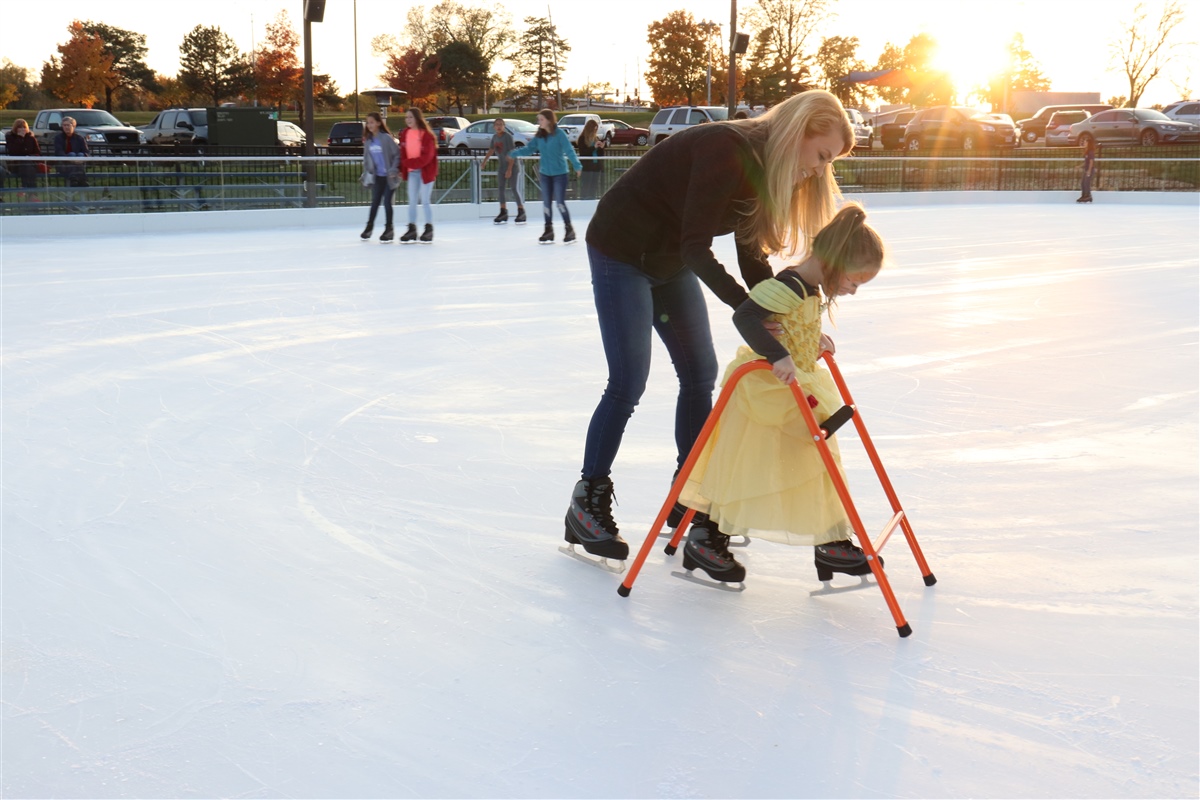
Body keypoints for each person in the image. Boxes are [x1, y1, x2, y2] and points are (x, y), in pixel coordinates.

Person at [563, 89, 854, 568]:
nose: (819, 170)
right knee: (628, 381)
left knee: (700, 374)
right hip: (622, 252)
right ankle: (587, 500)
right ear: (802, 130)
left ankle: (688, 496)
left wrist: (782, 314)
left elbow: (751, 252)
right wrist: (751, 311)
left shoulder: (762, 169)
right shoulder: (725, 148)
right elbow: (697, 247)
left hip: (668, 261)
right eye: (821, 156)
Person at [676, 204, 885, 584]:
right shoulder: (789, 285)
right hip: (766, 392)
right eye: (854, 281)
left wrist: (811, 337)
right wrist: (779, 354)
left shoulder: (807, 289)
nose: (853, 291)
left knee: (819, 461)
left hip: (794, 388)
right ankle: (706, 535)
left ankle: (832, 541)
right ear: (834, 261)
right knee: (744, 465)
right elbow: (746, 316)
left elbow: (788, 321)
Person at [523, 109, 582, 244]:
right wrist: (513, 153)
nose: (539, 122)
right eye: (538, 120)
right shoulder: (540, 136)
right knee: (546, 204)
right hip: (545, 174)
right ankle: (548, 231)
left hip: (560, 174)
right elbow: (529, 148)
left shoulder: (559, 134)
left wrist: (577, 165)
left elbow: (569, 150)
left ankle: (569, 229)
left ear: (549, 120)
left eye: (541, 119)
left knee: (560, 203)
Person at [398, 107, 438, 243]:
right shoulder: (405, 133)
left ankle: (429, 228)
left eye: (411, 117)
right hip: (412, 172)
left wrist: (408, 163)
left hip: (426, 171)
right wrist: (401, 167)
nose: (408, 120)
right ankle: (412, 229)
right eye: (406, 117)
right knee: (412, 201)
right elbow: (402, 154)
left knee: (425, 200)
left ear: (417, 118)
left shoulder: (426, 135)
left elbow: (427, 157)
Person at [359, 112, 401, 241]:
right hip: (378, 177)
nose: (369, 125)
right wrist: (366, 173)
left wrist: (394, 169)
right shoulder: (368, 141)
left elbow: (397, 154)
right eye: (368, 122)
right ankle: (369, 228)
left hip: (390, 177)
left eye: (372, 122)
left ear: (378, 123)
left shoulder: (386, 138)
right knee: (375, 203)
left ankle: (389, 229)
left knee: (387, 203)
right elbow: (367, 160)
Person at [482, 118, 527, 225]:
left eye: (501, 125)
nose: (499, 127)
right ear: (494, 127)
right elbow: (492, 149)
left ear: (504, 126)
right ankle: (503, 212)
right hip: (502, 166)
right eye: (497, 125)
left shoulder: (508, 137)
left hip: (513, 166)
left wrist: (510, 169)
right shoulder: (494, 137)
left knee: (513, 188)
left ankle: (521, 211)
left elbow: (512, 153)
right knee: (501, 189)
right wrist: (484, 161)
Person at [5, 118, 42, 199]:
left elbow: (37, 152)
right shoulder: (10, 137)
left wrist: (29, 156)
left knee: (28, 165)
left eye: (24, 127)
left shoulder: (31, 138)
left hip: (31, 163)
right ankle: (33, 195)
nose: (22, 129)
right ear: (15, 128)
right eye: (20, 127)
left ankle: (25, 187)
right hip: (16, 164)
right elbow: (13, 151)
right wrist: (20, 139)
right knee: (27, 166)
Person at [53, 116, 89, 187]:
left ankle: (75, 179)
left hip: (79, 162)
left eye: (68, 125)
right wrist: (70, 159)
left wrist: (79, 159)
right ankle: (80, 179)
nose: (66, 127)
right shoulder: (58, 138)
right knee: (72, 154)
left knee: (80, 155)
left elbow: (86, 152)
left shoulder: (79, 138)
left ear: (73, 126)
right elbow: (59, 151)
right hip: (64, 164)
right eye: (64, 125)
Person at [575, 118, 606, 200]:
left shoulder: (596, 138)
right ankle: (584, 200)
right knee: (586, 185)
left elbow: (600, 155)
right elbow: (583, 153)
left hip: (596, 165)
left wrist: (601, 148)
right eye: (593, 130)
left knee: (594, 185)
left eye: (596, 130)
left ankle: (592, 199)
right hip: (587, 166)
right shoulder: (582, 139)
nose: (595, 132)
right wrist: (593, 147)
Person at [1077, 137, 1096, 203]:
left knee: (1086, 183)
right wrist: (1079, 166)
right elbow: (1086, 162)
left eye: (1085, 142)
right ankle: (1084, 195)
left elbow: (1091, 162)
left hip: (1089, 170)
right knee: (1083, 183)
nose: (1084, 143)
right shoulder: (1087, 152)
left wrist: (1089, 171)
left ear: (1088, 143)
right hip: (1086, 169)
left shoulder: (1091, 152)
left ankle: (1087, 196)